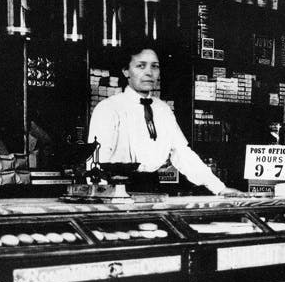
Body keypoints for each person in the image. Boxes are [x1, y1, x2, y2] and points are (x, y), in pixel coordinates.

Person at [87, 42, 244, 196]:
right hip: (115, 189)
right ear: (126, 71)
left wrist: (219, 188)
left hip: (153, 187)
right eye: (141, 66)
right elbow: (96, 160)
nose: (149, 72)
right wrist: (102, 198)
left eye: (154, 66)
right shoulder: (109, 108)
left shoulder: (163, 109)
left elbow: (182, 153)